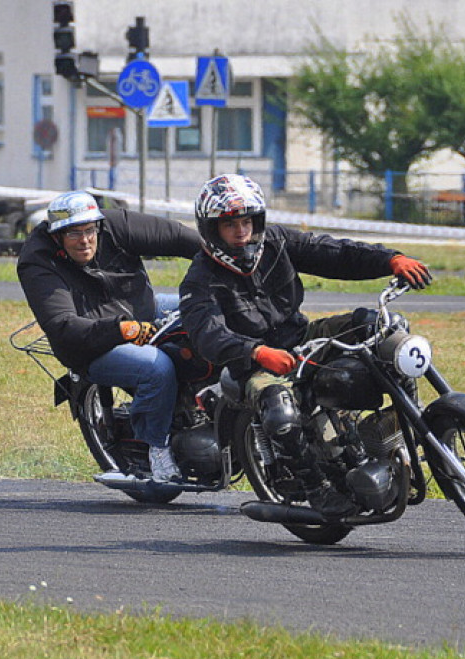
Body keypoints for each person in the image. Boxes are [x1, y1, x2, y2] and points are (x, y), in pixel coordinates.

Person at [180, 174, 432, 517]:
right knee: (280, 409)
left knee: (383, 326)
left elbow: (333, 252)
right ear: (211, 229)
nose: (241, 231)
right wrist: (255, 351)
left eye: (247, 221)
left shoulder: (277, 242)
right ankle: (316, 489)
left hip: (301, 338)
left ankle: (408, 423)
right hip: (253, 363)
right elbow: (206, 332)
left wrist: (390, 260)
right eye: (229, 225)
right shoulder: (200, 278)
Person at [17, 191, 202, 483]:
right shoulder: (37, 262)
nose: (85, 240)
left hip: (141, 310)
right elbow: (62, 325)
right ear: (57, 236)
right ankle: (156, 448)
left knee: (204, 306)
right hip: (91, 342)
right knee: (157, 367)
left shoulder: (115, 226)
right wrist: (122, 329)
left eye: (89, 230)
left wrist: (224, 259)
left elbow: (177, 236)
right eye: (73, 233)